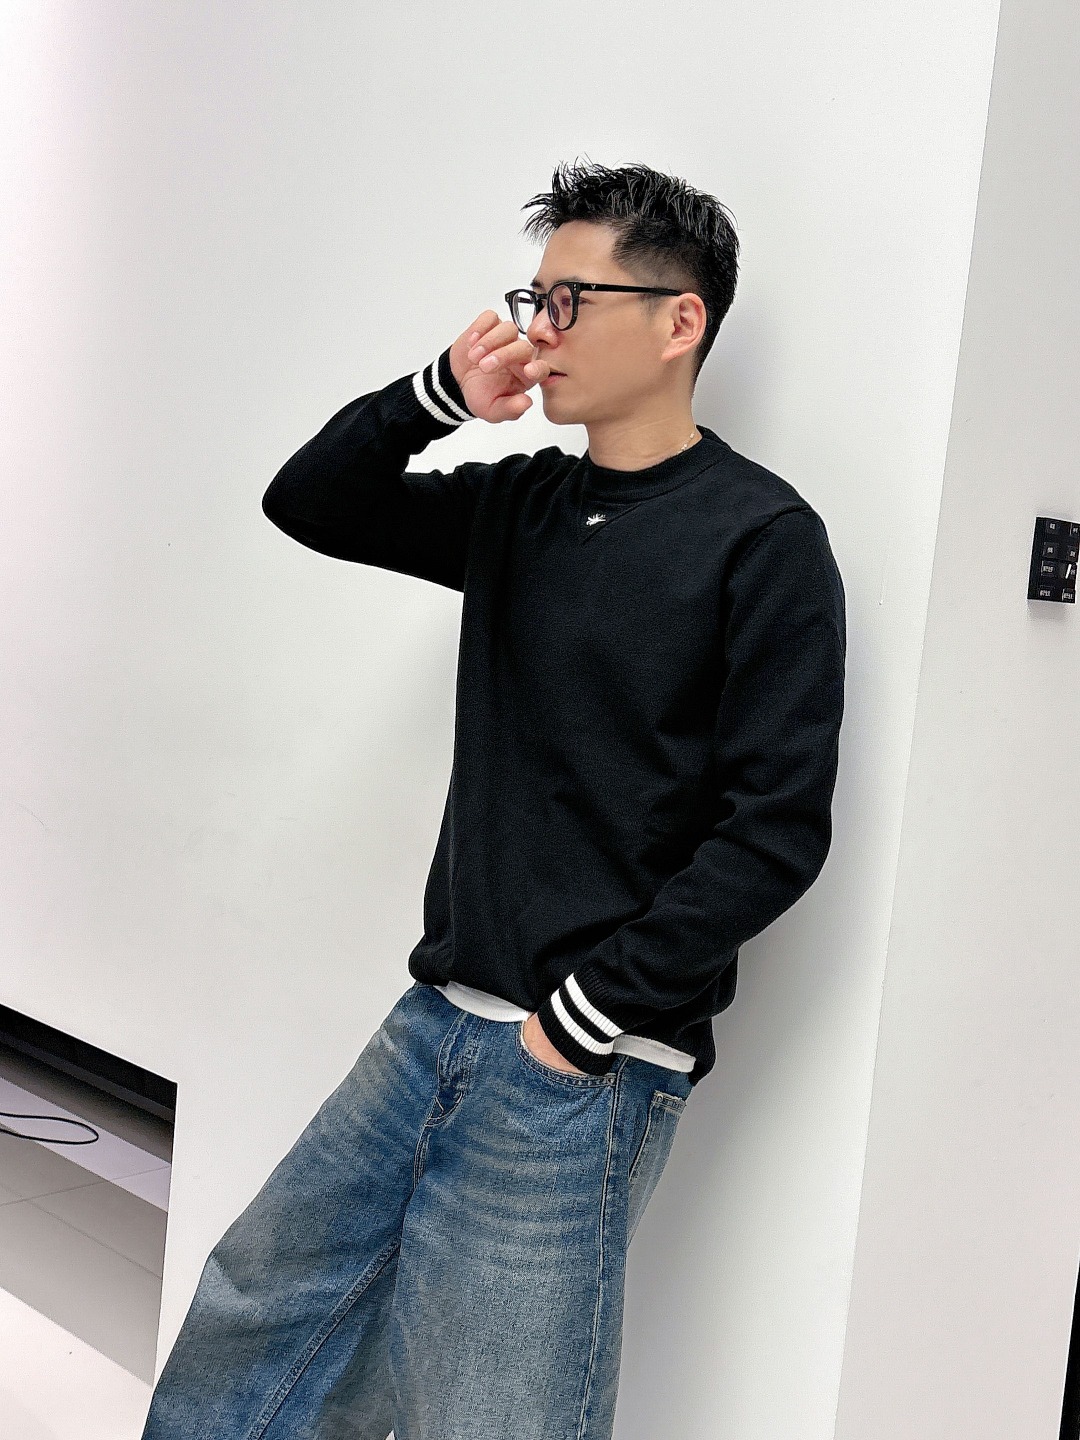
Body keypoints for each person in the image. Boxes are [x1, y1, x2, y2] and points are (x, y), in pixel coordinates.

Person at [140, 159, 846, 1440]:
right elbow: (309, 500)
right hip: (435, 1019)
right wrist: (438, 396)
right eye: (535, 297)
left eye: (572, 299)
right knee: (259, 1322)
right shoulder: (522, 503)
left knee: (487, 1415)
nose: (539, 328)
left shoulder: (762, 539)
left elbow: (776, 830)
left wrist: (582, 1020)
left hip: (583, 1065)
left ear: (680, 322)